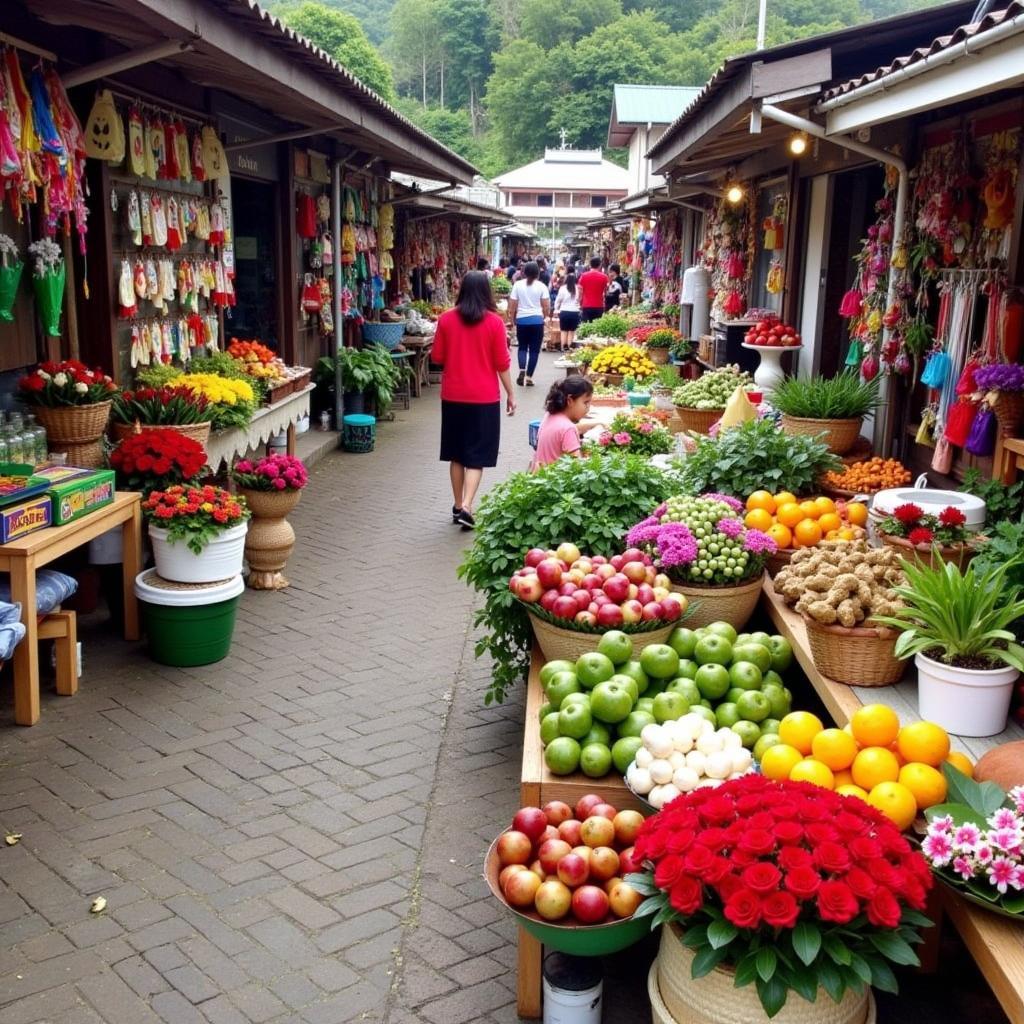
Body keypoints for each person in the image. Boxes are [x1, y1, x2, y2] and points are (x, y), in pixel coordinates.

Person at [432, 271, 517, 529]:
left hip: (454, 396)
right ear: (486, 291)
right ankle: (468, 506)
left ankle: (457, 505)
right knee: (476, 455)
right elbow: (502, 363)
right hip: (484, 398)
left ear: (462, 290)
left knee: (457, 454)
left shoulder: (446, 319)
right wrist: (511, 394)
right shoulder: (494, 322)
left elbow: (437, 356)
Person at [531, 376, 595, 470]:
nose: (588, 407)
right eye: (585, 403)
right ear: (570, 400)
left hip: (541, 477)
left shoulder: (550, 415)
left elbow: (571, 430)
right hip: (555, 481)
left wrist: (595, 424)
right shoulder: (568, 428)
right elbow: (578, 467)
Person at [508, 260, 551, 387]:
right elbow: (546, 306)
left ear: (524, 272)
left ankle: (522, 370)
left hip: (522, 320)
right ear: (538, 273)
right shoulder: (542, 286)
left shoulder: (517, 285)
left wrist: (512, 320)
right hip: (537, 321)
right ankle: (529, 376)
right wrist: (545, 317)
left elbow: (512, 305)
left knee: (522, 347)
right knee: (534, 351)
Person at [553, 272, 581, 352]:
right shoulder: (576, 288)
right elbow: (578, 300)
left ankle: (563, 347)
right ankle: (569, 348)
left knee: (564, 330)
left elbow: (558, 300)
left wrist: (556, 309)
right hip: (575, 312)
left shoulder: (562, 288)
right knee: (571, 331)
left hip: (564, 312)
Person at [578, 256, 609, 322]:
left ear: (590, 265)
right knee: (596, 328)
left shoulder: (583, 276)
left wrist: (579, 303)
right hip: (599, 306)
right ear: (600, 265)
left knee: (586, 328)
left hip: (586, 305)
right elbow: (606, 292)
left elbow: (580, 292)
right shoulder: (604, 277)